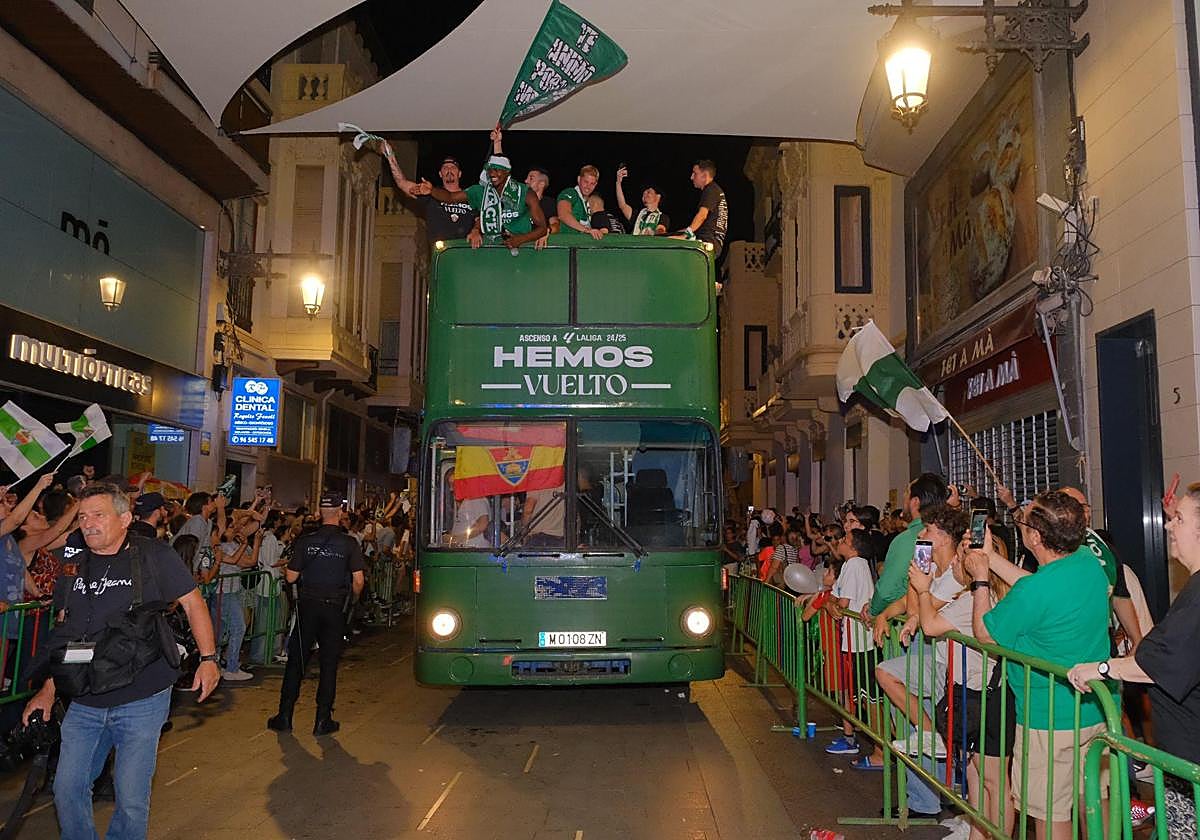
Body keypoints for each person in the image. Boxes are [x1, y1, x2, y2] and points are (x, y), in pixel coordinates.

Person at [22, 483, 220, 840]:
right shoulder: (73, 562)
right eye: (83, 516)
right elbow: (66, 631)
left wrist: (208, 658)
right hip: (84, 698)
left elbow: (193, 603)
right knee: (67, 790)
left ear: (125, 518)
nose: (88, 523)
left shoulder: (154, 556)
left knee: (130, 801)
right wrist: (48, 691)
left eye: (99, 515)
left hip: (141, 696)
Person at [966, 490, 1111, 836]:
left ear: (1034, 536)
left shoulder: (1033, 593)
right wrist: (991, 557)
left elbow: (985, 632)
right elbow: (1040, 585)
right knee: (1091, 799)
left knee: (1050, 811)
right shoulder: (1088, 565)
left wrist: (981, 579)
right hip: (1094, 708)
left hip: (1048, 718)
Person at [1068, 481, 1200, 840]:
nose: (1169, 525)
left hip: (1192, 762)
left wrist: (1101, 668)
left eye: (1180, 520)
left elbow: (1159, 661)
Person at [268, 492, 365, 735]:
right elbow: (358, 581)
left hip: (308, 605)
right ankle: (323, 719)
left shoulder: (305, 541)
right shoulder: (349, 543)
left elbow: (291, 576)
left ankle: (285, 715)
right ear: (340, 513)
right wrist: (353, 600)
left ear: (320, 512)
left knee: (297, 661)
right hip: (334, 607)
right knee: (329, 664)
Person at [419, 155, 547, 250]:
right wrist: (431, 190)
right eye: (490, 169)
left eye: (498, 169)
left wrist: (521, 239)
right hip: (489, 250)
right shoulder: (480, 192)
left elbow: (542, 228)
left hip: (521, 250)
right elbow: (450, 197)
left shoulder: (524, 192)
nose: (492, 173)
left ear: (507, 172)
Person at [416, 156, 477, 242]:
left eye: (453, 167)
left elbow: (479, 218)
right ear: (440, 174)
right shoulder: (431, 194)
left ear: (459, 173)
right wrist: (391, 157)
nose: (449, 170)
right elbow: (402, 183)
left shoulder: (470, 196)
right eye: (445, 168)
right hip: (441, 251)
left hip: (466, 249)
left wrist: (476, 230)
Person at [675, 160, 728, 258]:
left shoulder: (710, 190)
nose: (691, 177)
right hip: (712, 242)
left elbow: (702, 215)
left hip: (705, 242)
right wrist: (681, 232)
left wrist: (686, 234)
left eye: (695, 173)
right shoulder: (716, 190)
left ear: (704, 175)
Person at [615, 166, 669, 236]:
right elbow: (622, 205)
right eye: (643, 193)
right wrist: (618, 182)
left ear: (658, 197)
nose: (645, 194)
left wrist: (653, 232)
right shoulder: (638, 214)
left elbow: (661, 230)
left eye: (649, 192)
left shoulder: (663, 217)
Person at [557, 165, 604, 239]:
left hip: (581, 247)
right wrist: (586, 230)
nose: (588, 186)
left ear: (596, 185)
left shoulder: (588, 203)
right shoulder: (571, 192)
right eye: (586, 182)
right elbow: (563, 214)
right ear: (579, 179)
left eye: (592, 183)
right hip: (568, 246)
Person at [525, 165, 559, 248]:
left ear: (541, 184)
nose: (526, 181)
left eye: (531, 178)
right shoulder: (519, 202)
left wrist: (546, 231)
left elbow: (556, 225)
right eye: (527, 178)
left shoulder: (548, 203)